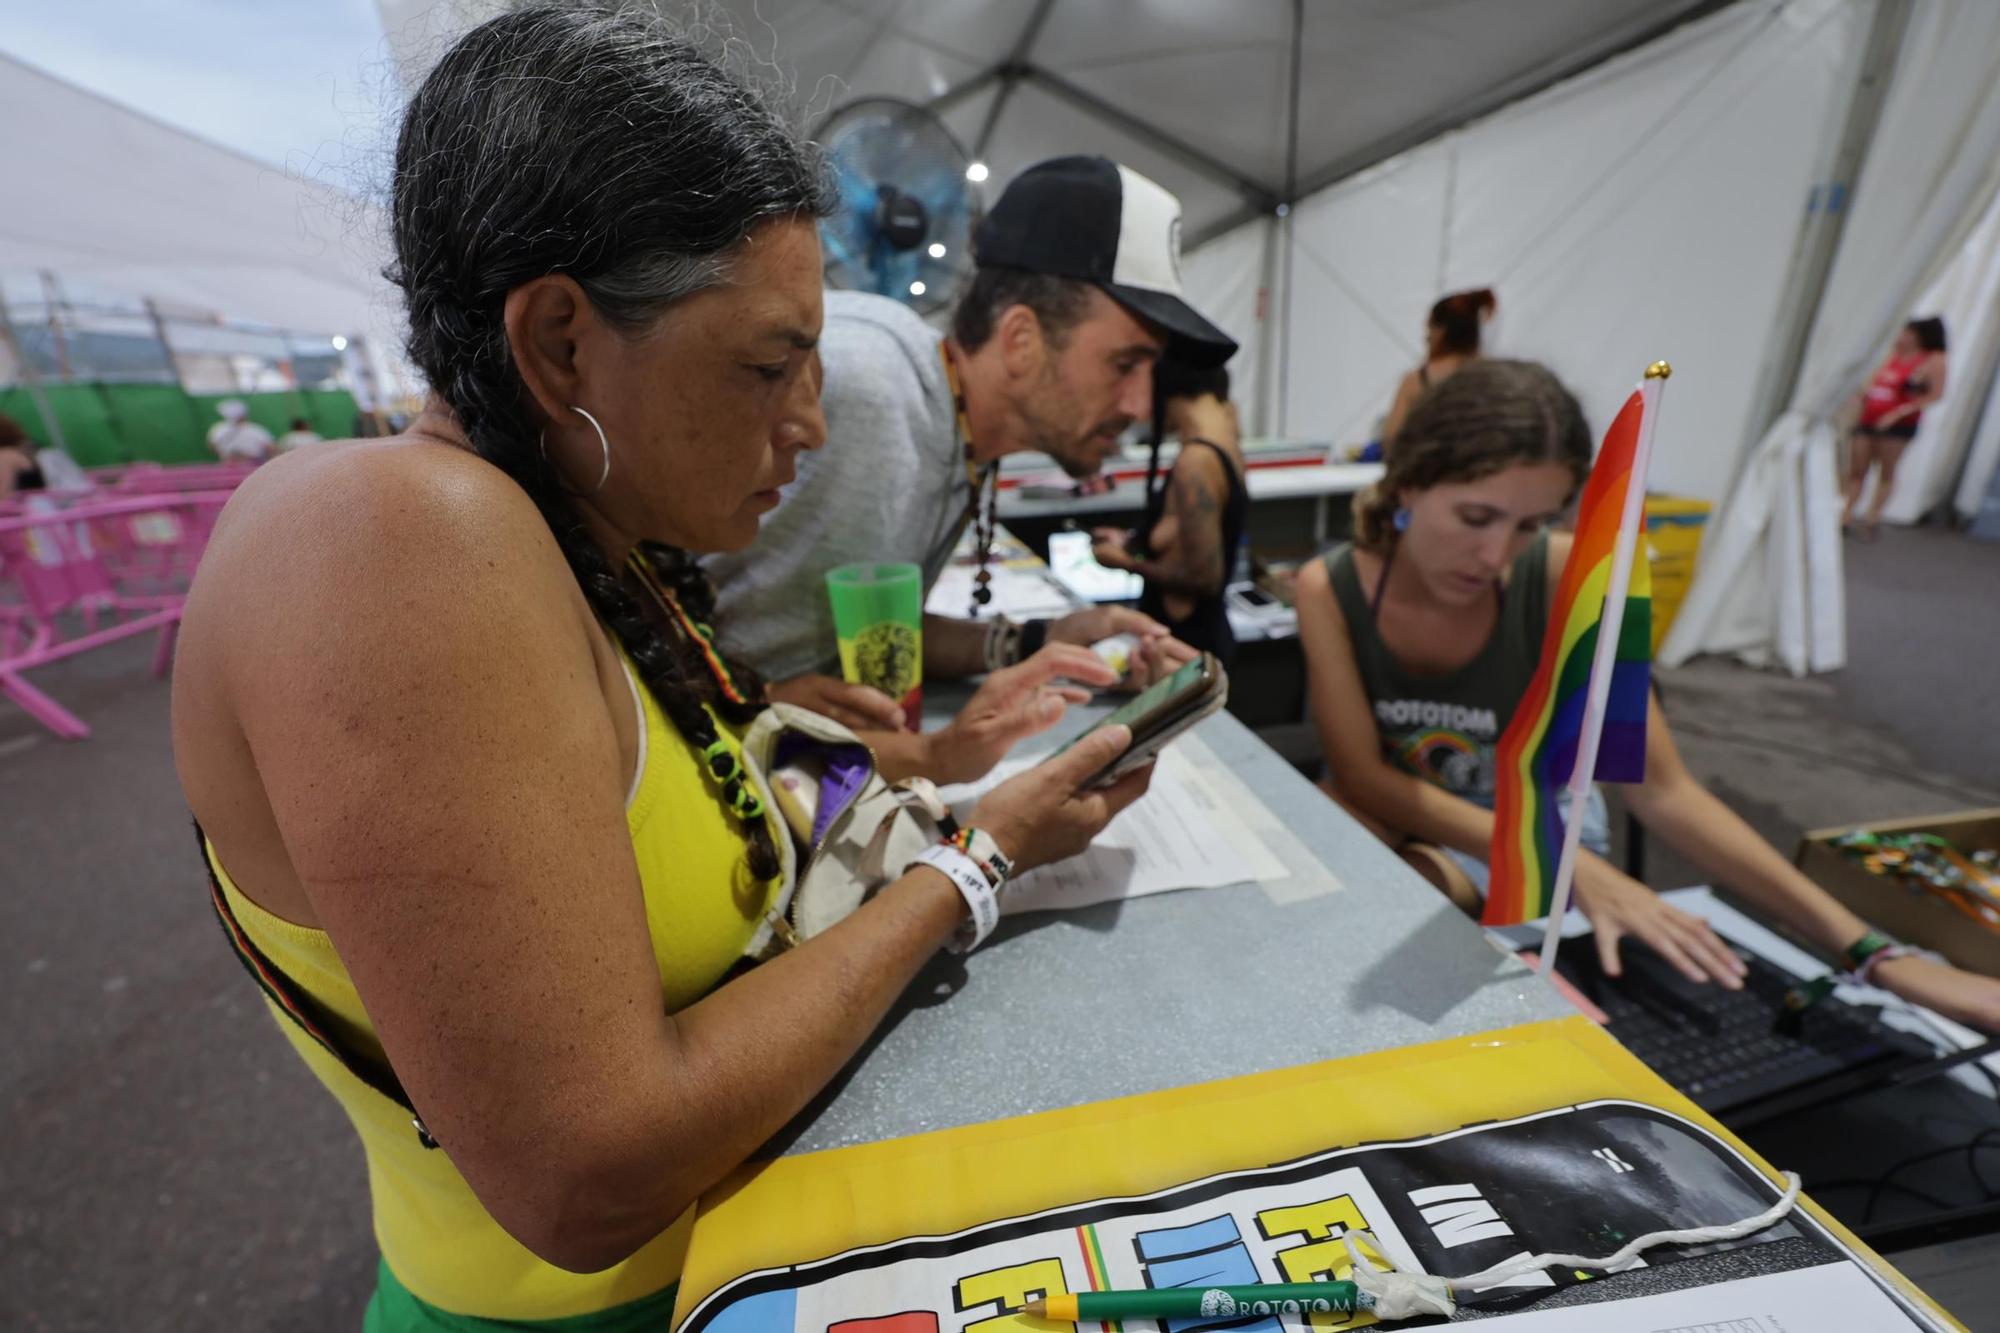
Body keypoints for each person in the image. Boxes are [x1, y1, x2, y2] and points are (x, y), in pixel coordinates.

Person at [170, 9, 1152, 1329]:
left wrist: (924, 758)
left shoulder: (591, 550)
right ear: (560, 342)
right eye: (767, 366)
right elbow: (589, 1176)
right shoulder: (398, 535)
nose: (810, 425)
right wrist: (975, 860)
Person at [1295, 358, 2000, 1031]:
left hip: (1536, 828)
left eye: (1531, 524)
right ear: (1409, 485)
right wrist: (1578, 872)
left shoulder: (1571, 578)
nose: (1495, 555)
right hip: (1402, 810)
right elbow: (1361, 776)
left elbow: (1664, 790)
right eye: (1476, 517)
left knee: (1397, 921)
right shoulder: (1329, 587)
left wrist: (1876, 953)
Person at [703, 154, 1236, 742]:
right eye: (1124, 364)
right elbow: (634, 565)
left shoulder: (951, 425)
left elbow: (869, 631)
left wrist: (1041, 641)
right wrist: (753, 701)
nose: (1139, 405)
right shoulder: (862, 386)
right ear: (1021, 340)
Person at [1090, 358, 1248, 662]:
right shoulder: (1227, 441)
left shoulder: (1196, 461)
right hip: (1202, 639)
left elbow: (1203, 577)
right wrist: (1134, 541)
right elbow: (1184, 537)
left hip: (1182, 648)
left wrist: (1124, 562)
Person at [1843, 316, 1946, 540]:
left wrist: (1899, 413)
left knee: (1886, 470)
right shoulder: (1890, 354)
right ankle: (1846, 514)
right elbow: (1872, 381)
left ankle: (1872, 517)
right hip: (1869, 417)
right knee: (1857, 468)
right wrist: (1860, 397)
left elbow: (1935, 394)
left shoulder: (1932, 360)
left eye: (1909, 333)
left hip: (1899, 424)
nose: (1903, 337)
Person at [1379, 288, 1495, 450]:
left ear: (1441, 331)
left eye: (1429, 329)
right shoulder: (1497, 375)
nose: (1426, 337)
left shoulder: (1416, 380)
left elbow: (1390, 439)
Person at [205, 399, 274, 462]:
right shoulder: (254, 429)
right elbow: (270, 448)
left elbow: (212, 445)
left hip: (245, 462)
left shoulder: (218, 428)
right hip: (239, 463)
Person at [0, 413, 45, 496]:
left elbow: (4, 494)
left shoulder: (5, 456)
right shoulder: (18, 452)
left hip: (20, 502)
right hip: (37, 499)